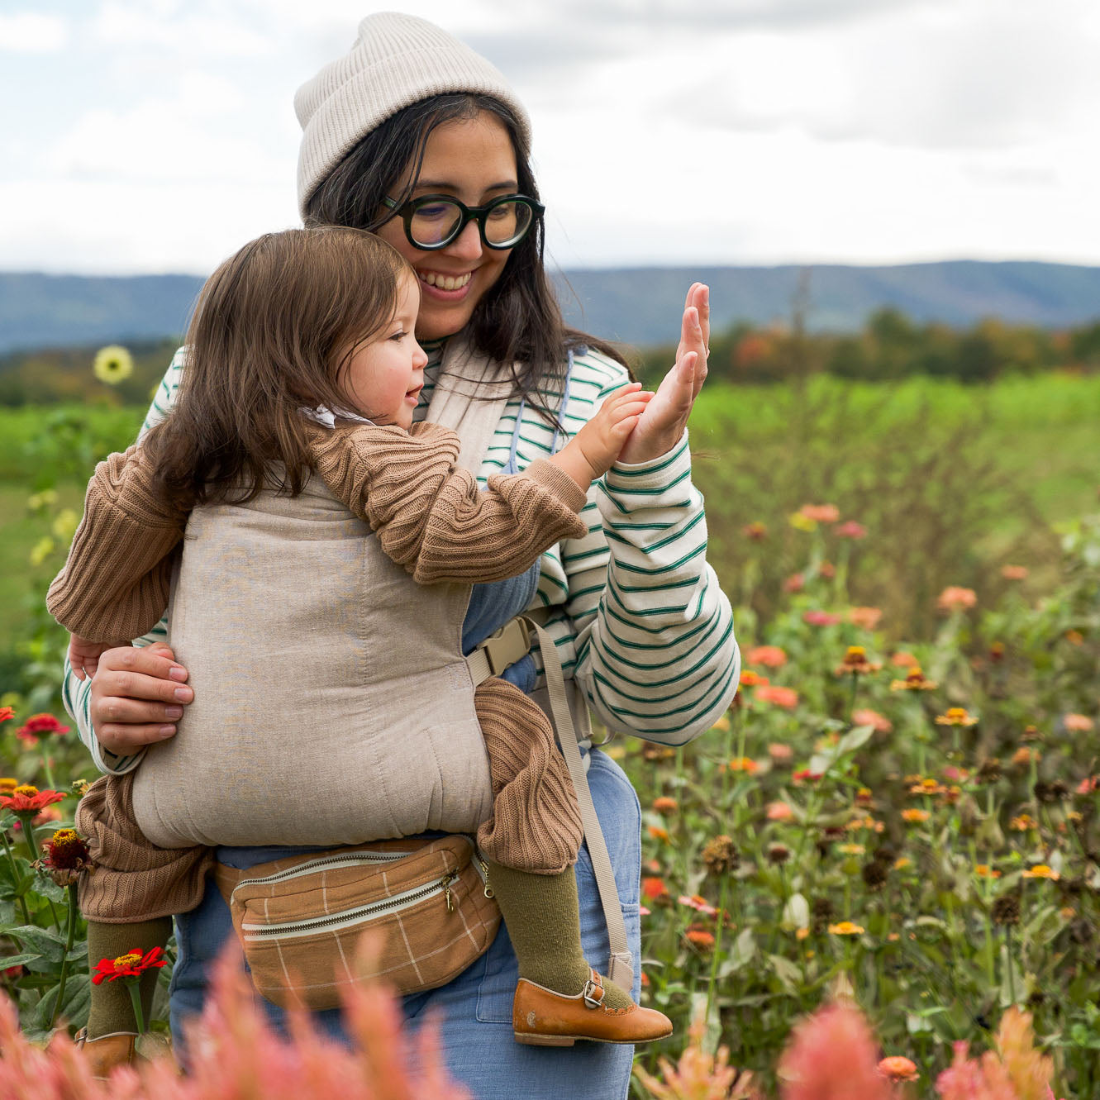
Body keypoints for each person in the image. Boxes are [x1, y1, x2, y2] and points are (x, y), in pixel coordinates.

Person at [60, 13, 739, 1099]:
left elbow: (670, 704)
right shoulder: (213, 376)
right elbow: (116, 627)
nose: (471, 245)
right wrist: (109, 696)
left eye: (500, 209)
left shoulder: (576, 398)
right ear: (338, 213)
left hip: (507, 920)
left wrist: (649, 473)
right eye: (431, 208)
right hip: (247, 914)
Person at [48, 225, 674, 1058]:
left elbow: (111, 543)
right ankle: (559, 982)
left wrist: (92, 638)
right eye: (394, 336)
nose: (420, 358)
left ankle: (110, 1034)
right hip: (386, 774)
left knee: (117, 818)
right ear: (307, 353)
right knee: (522, 743)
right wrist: (589, 453)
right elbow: (464, 539)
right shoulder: (372, 451)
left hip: (204, 787)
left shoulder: (186, 458)